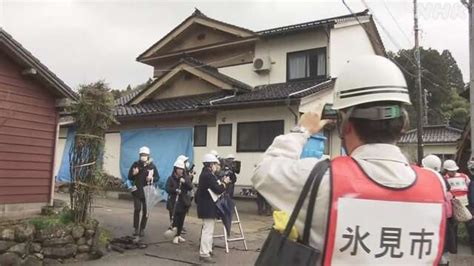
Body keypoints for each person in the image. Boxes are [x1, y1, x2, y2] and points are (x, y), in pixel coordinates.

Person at [252, 55, 446, 265]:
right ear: (403, 125)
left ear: (345, 125)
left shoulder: (321, 180)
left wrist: (303, 128)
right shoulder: (436, 186)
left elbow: (264, 170)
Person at [196, 153, 231, 264]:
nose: (217, 166)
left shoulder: (207, 174)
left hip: (207, 206)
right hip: (207, 207)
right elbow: (218, 189)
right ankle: (204, 253)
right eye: (216, 164)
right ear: (211, 164)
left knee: (209, 230)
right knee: (207, 231)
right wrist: (225, 183)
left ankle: (208, 250)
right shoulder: (208, 175)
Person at [127, 146, 159, 237]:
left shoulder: (152, 166)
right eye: (142, 155)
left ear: (148, 155)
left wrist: (152, 178)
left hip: (147, 192)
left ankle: (142, 229)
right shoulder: (136, 164)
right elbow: (129, 177)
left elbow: (157, 177)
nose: (143, 156)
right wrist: (134, 173)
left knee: (146, 211)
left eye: (145, 155)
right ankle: (136, 228)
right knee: (137, 209)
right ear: (139, 155)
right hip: (136, 191)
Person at [166, 157, 193, 244]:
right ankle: (175, 235)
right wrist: (175, 190)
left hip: (183, 202)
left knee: (181, 219)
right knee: (175, 219)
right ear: (175, 169)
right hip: (174, 202)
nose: (180, 170)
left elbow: (190, 187)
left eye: (182, 169)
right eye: (179, 169)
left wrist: (184, 182)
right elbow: (167, 188)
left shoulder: (186, 177)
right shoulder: (171, 178)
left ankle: (178, 235)